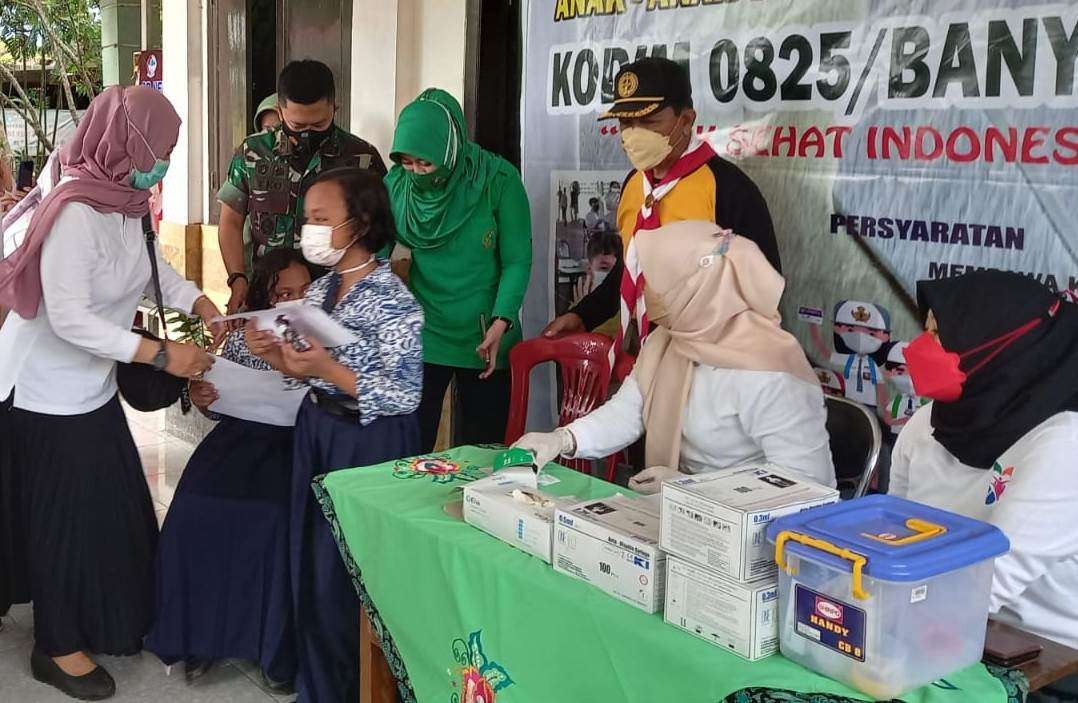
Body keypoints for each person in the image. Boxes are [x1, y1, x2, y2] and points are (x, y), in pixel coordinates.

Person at [0, 86, 220, 701]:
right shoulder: (74, 210)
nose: (166, 160)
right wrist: (159, 352)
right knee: (63, 523)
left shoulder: (123, 201)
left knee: (117, 516)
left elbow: (150, 268)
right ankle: (57, 644)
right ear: (127, 142)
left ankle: (111, 618)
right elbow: (69, 318)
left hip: (89, 391)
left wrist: (195, 300)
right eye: (162, 148)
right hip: (44, 395)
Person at [246, 167, 423, 703]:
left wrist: (328, 367)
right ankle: (313, 674)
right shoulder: (320, 290)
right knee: (309, 552)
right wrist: (275, 354)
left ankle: (351, 686)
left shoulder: (395, 300)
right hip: (317, 429)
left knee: (345, 570)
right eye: (307, 219)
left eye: (322, 219)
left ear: (360, 223)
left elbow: (403, 393)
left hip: (365, 441)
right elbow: (303, 369)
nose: (311, 230)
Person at [515, 221, 834, 491]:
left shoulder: (769, 372)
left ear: (695, 290)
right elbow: (628, 412)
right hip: (686, 518)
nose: (645, 292)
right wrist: (562, 440)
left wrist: (693, 490)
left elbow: (803, 487)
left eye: (656, 282)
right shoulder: (668, 342)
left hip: (756, 540)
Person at [889, 271, 1078, 700]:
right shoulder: (930, 423)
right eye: (927, 332)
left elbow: (989, 581)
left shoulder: (1068, 443)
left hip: (1052, 664)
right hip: (940, 628)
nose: (919, 349)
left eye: (941, 335)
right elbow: (889, 535)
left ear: (1001, 347)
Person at [145, 249, 312, 691]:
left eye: (303, 292)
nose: (293, 303)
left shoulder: (324, 338)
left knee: (273, 518)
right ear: (265, 296)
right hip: (239, 439)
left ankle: (274, 649)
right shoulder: (244, 335)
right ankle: (201, 637)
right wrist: (206, 398)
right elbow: (222, 401)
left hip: (296, 446)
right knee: (196, 508)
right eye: (282, 294)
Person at [542, 58, 779, 354]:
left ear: (686, 120)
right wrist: (584, 315)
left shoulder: (729, 189)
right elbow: (629, 273)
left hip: (714, 359)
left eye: (650, 122)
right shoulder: (633, 186)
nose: (634, 134)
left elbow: (764, 291)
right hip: (646, 354)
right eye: (626, 123)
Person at [385, 89, 531, 451]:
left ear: (450, 151)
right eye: (408, 162)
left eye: (425, 163)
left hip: (484, 335)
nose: (416, 172)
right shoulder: (396, 185)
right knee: (407, 452)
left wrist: (502, 320)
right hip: (422, 332)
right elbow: (375, 250)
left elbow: (517, 259)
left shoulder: (497, 180)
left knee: (479, 453)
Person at [218, 60, 387, 315]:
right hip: (268, 298)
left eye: (318, 125)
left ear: (334, 109)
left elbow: (380, 229)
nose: (308, 133)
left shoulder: (361, 158)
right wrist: (237, 278)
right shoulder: (252, 152)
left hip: (337, 301)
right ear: (280, 111)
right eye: (297, 126)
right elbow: (230, 221)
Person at [808, 299, 892, 407]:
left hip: (869, 407)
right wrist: (813, 325)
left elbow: (881, 390)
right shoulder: (847, 359)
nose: (861, 336)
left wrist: (885, 412)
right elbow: (822, 350)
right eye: (851, 330)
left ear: (885, 337)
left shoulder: (873, 366)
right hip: (847, 403)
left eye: (871, 333)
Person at [572, 231, 621, 338]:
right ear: (589, 270)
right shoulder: (574, 312)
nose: (612, 279)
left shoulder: (629, 309)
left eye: (618, 272)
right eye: (604, 268)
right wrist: (582, 314)